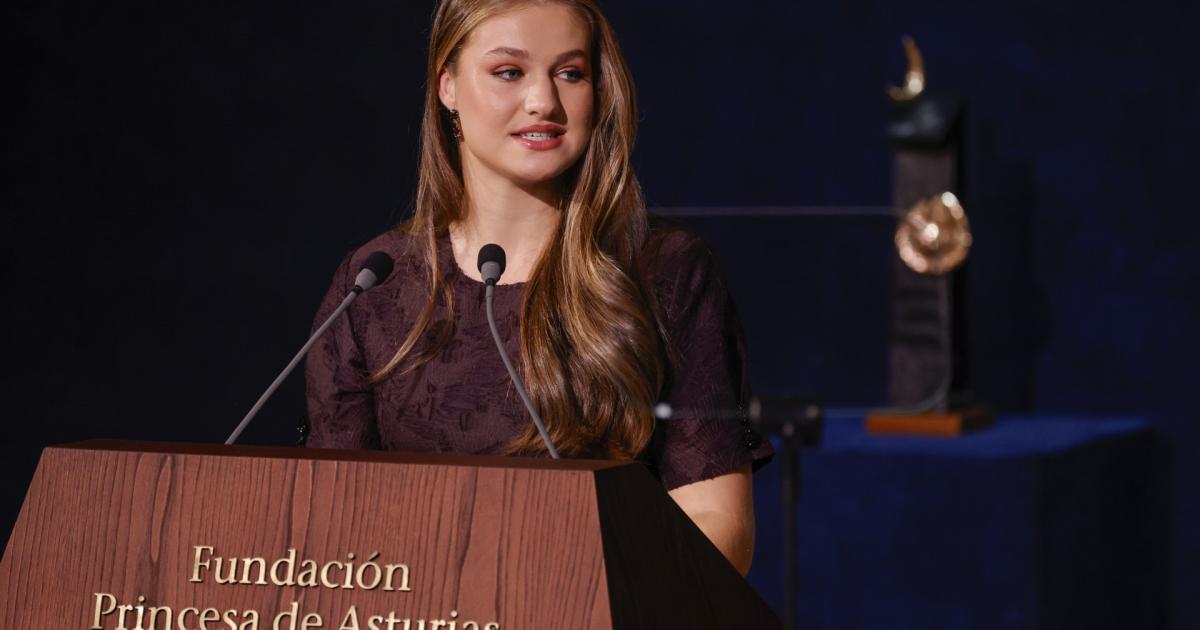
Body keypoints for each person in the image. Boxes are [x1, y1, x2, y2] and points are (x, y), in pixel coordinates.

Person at [304, 0, 773, 576]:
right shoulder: (374, 284)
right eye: (509, 72)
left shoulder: (666, 271)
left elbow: (715, 524)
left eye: (570, 73)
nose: (544, 102)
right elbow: (331, 530)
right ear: (447, 85)